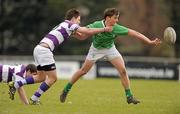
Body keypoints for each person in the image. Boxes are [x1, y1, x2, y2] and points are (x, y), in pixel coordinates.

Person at [8, 8, 112, 105]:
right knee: (53, 78)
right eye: (79, 20)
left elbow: (82, 37)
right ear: (73, 18)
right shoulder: (70, 24)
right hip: (45, 51)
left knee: (41, 77)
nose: (79, 22)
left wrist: (93, 32)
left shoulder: (64, 25)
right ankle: (32, 97)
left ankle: (19, 86)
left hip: (38, 49)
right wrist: (103, 29)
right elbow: (86, 31)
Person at [60, 8, 161, 104]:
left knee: (123, 70)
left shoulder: (116, 28)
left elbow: (136, 33)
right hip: (96, 50)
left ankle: (129, 96)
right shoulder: (96, 25)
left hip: (110, 49)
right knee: (83, 71)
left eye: (118, 18)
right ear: (108, 18)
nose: (117, 20)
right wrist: (74, 33)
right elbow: (82, 36)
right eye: (115, 18)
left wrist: (150, 42)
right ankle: (66, 90)